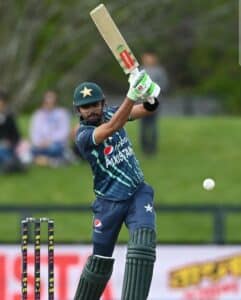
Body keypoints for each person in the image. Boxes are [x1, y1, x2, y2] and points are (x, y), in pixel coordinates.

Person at [73, 70, 160, 300]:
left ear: (103, 103)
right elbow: (112, 127)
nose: (90, 110)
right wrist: (132, 93)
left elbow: (147, 110)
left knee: (143, 243)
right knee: (99, 263)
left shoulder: (112, 112)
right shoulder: (83, 135)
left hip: (136, 193)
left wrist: (150, 96)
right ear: (78, 111)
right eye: (85, 107)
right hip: (108, 202)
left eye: (94, 104)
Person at [30, 90, 71, 166]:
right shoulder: (38, 114)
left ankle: (42, 160)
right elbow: (34, 132)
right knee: (32, 150)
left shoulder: (62, 114)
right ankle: (51, 160)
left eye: (51, 100)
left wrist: (50, 141)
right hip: (41, 145)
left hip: (56, 144)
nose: (49, 102)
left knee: (54, 149)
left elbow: (64, 132)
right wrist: (39, 142)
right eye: (47, 100)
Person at [140, 50, 169, 154]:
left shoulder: (159, 71)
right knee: (143, 127)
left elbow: (164, 85)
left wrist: (153, 91)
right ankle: (144, 147)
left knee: (153, 127)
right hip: (142, 103)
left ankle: (152, 148)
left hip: (154, 103)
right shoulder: (140, 71)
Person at [0, 90, 24, 173]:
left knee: (3, 150)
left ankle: (10, 164)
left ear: (4, 104)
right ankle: (12, 163)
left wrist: (9, 142)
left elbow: (17, 136)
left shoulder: (9, 118)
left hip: (7, 147)